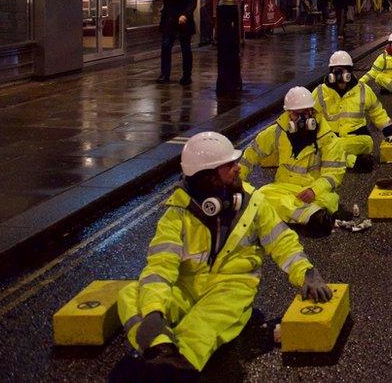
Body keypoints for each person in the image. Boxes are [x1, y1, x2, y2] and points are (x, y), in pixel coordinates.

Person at [117, 132, 332, 376]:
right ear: (207, 178)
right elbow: (159, 267)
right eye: (228, 166)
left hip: (232, 286)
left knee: (204, 324)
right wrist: (154, 312)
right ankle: (159, 347)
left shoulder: (254, 203)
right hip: (187, 286)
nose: (238, 168)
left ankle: (177, 367)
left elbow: (282, 242)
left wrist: (306, 272)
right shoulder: (177, 213)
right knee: (132, 295)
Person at [240, 87, 348, 233]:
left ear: (312, 112)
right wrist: (237, 182)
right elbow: (252, 153)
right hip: (283, 188)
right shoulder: (278, 132)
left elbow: (334, 174)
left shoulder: (327, 138)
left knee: (329, 200)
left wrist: (314, 190)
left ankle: (293, 214)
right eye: (297, 114)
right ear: (289, 113)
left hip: (314, 192)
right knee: (263, 193)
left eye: (305, 113)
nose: (302, 119)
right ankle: (310, 216)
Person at [313, 50, 392, 171]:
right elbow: (310, 116)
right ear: (331, 73)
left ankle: (334, 157)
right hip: (330, 139)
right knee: (322, 148)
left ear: (349, 72)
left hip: (356, 140)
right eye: (336, 70)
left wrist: (390, 131)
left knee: (367, 143)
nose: (339, 75)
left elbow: (377, 112)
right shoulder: (320, 92)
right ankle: (353, 161)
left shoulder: (363, 89)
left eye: (342, 70)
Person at [154, 0, 197, 85]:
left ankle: (186, 76)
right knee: (166, 47)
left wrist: (185, 15)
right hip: (169, 20)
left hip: (183, 21)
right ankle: (164, 74)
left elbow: (192, 3)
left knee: (185, 48)